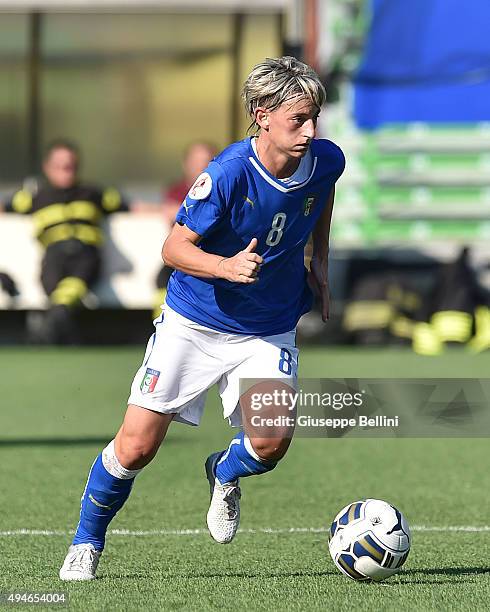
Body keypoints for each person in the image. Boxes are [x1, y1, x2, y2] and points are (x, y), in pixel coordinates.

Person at [59, 56, 345, 581]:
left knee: (270, 443)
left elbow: (319, 197)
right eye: (297, 120)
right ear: (262, 114)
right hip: (194, 320)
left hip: (268, 325)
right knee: (137, 447)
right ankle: (86, 542)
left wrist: (318, 260)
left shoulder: (326, 159)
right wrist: (226, 265)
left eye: (314, 119)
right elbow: (172, 247)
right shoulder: (229, 172)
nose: (310, 131)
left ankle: (223, 469)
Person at [2, 140, 128, 344]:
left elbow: (130, 205)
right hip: (54, 255)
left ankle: (48, 330)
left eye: (70, 165)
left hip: (86, 253)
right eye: (60, 165)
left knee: (73, 282)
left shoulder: (93, 192)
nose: (66, 170)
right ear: (47, 168)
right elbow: (5, 205)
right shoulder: (35, 195)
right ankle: (59, 324)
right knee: (57, 288)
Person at [153, 141, 218, 317]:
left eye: (206, 161)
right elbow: (171, 214)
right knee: (163, 279)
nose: (200, 167)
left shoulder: (222, 189)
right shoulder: (177, 190)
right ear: (186, 164)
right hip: (184, 255)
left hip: (214, 256)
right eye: (196, 162)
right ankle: (163, 319)